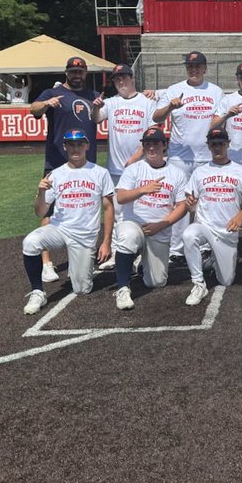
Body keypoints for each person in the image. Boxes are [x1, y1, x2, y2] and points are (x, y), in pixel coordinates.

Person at [21, 130, 115, 315]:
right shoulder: (55, 175)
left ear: (87, 146)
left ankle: (77, 265)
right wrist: (40, 192)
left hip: (85, 235)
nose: (75, 148)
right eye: (71, 145)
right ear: (65, 147)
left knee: (82, 289)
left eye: (80, 144)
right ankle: (38, 291)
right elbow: (40, 211)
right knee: (30, 242)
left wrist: (106, 242)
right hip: (60, 229)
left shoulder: (100, 173)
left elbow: (108, 208)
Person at [29, 56, 99, 281]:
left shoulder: (92, 95)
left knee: (85, 206)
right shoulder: (52, 92)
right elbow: (34, 109)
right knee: (49, 208)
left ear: (86, 73)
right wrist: (47, 104)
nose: (76, 75)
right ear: (66, 72)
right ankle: (46, 262)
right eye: (72, 72)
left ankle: (84, 252)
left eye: (80, 72)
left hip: (87, 163)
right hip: (57, 160)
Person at [151, 51, 224, 258]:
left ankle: (204, 247)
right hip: (179, 156)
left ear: (205, 68)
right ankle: (176, 250)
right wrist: (170, 106)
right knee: (180, 203)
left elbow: (218, 121)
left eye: (198, 66)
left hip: (206, 155)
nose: (194, 69)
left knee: (205, 203)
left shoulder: (216, 91)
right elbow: (156, 116)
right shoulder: (174, 90)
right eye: (190, 66)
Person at [112, 126, 190, 300]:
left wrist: (162, 225)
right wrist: (142, 190)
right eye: (147, 144)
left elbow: (182, 206)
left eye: (155, 143)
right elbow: (121, 197)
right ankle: (123, 288)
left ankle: (142, 262)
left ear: (164, 145)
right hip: (134, 223)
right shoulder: (134, 169)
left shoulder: (176, 173)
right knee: (128, 237)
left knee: (156, 282)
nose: (151, 148)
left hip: (159, 228)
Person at [92, 64, 158, 268]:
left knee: (142, 209)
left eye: (124, 77)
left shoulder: (146, 102)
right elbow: (96, 119)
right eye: (117, 79)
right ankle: (118, 251)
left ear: (132, 79)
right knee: (118, 211)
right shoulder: (111, 103)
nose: (121, 82)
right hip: (116, 168)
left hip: (140, 166)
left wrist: (136, 157)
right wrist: (95, 107)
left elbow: (152, 132)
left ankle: (140, 250)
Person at [181, 127, 242, 306]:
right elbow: (191, 203)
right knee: (189, 235)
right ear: (208, 146)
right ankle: (198, 284)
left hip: (226, 231)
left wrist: (239, 217)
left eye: (221, 144)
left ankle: (212, 259)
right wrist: (191, 206)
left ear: (228, 144)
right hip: (205, 226)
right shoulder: (199, 171)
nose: (217, 147)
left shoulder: (241, 171)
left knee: (226, 280)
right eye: (213, 144)